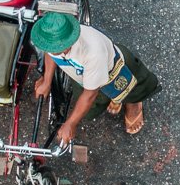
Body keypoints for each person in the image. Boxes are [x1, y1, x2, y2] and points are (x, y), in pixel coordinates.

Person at [29, 12, 160, 142]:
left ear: (66, 45)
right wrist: (47, 81)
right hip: (83, 73)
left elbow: (90, 94)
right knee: (88, 108)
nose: (50, 50)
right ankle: (115, 98)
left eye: (53, 48)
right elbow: (50, 52)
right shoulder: (56, 42)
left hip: (112, 70)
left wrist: (71, 123)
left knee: (129, 90)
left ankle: (134, 103)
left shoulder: (93, 54)